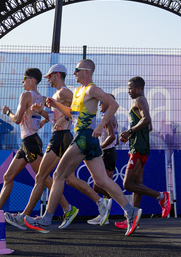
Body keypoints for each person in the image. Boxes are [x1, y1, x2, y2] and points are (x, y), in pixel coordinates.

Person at [24, 60, 142, 235]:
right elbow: (73, 114)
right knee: (102, 181)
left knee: (58, 175)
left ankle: (46, 220)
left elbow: (113, 105)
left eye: (77, 70)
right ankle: (131, 211)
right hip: (88, 139)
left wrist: (101, 125)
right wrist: (55, 105)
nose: (74, 73)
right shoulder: (78, 91)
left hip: (85, 137)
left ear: (86, 72)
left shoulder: (91, 89)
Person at [8, 63, 108, 230]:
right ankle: (98, 201)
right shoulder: (56, 94)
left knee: (41, 177)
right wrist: (41, 111)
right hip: (60, 136)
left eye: (50, 76)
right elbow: (56, 116)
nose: (47, 80)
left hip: (62, 137)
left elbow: (76, 110)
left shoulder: (64, 92)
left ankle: (25, 217)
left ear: (58, 75)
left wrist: (67, 119)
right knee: (67, 178)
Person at [0, 68, 80, 227]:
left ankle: (67, 208)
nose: (22, 82)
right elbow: (50, 115)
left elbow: (17, 119)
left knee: (44, 178)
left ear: (31, 80)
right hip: (28, 142)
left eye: (24, 79)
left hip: (31, 141)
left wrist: (7, 112)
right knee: (8, 177)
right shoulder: (42, 98)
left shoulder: (26, 95)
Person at [115, 76, 172, 229]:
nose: (128, 91)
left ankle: (161, 196)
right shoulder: (142, 101)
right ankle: (134, 220)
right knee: (137, 184)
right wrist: (130, 134)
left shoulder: (140, 100)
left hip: (138, 148)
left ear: (138, 88)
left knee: (127, 183)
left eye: (130, 88)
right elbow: (149, 126)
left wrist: (130, 130)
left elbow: (147, 120)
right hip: (140, 145)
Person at [87, 99, 119, 225]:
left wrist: (100, 147)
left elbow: (112, 137)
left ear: (108, 104)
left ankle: (120, 201)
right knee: (105, 185)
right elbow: (114, 140)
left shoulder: (108, 117)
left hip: (107, 154)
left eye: (101, 103)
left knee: (99, 185)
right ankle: (104, 216)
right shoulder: (111, 118)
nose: (99, 105)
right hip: (110, 153)